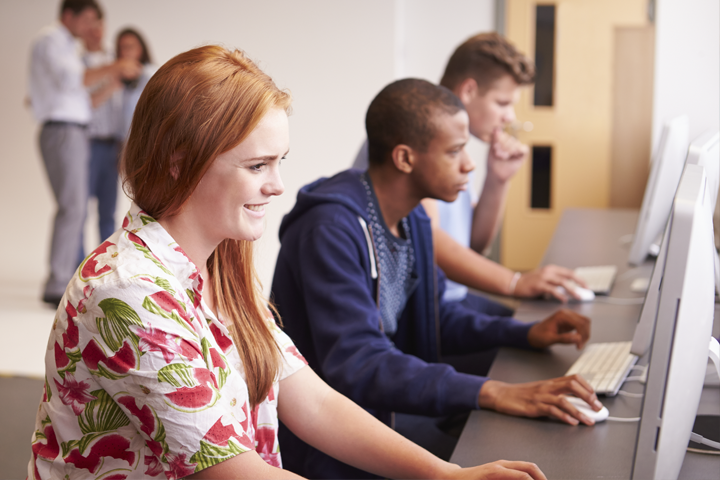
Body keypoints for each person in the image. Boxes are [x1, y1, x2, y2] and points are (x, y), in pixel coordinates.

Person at [28, 45, 547, 480]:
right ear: (179, 162)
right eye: (257, 166)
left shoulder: (220, 264)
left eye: (280, 163)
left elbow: (313, 402)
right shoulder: (129, 293)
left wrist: (447, 475)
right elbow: (235, 472)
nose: (277, 186)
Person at [272, 78, 601, 478]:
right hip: (332, 450)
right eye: (455, 151)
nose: (470, 163)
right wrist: (494, 392)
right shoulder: (330, 228)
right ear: (405, 158)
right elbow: (358, 361)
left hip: (383, 418)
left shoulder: (410, 218)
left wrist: (524, 333)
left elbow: (434, 314)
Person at [353, 33, 586, 307]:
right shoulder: (417, 136)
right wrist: (515, 282)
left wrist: (498, 180)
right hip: (418, 309)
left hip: (450, 298)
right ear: (469, 91)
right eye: (502, 103)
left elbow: (473, 244)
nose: (510, 116)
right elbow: (430, 240)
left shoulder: (456, 148)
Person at [28, 0, 139, 306]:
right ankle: (60, 281)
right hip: (66, 130)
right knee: (73, 207)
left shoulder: (65, 46)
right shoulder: (52, 40)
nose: (92, 26)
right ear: (69, 16)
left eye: (96, 20)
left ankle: (66, 279)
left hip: (73, 131)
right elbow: (73, 81)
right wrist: (117, 66)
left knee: (77, 207)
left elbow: (75, 90)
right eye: (87, 19)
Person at [83, 14, 127, 243]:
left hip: (113, 145)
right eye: (90, 24)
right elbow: (85, 101)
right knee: (80, 211)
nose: (95, 30)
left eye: (99, 24)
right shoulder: (79, 61)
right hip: (87, 143)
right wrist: (111, 84)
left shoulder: (114, 58)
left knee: (108, 212)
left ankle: (105, 267)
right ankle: (77, 268)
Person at [115, 27, 157, 140]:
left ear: (140, 49)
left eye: (130, 47)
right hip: (123, 142)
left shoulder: (152, 75)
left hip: (145, 140)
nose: (125, 52)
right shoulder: (116, 80)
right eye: (122, 48)